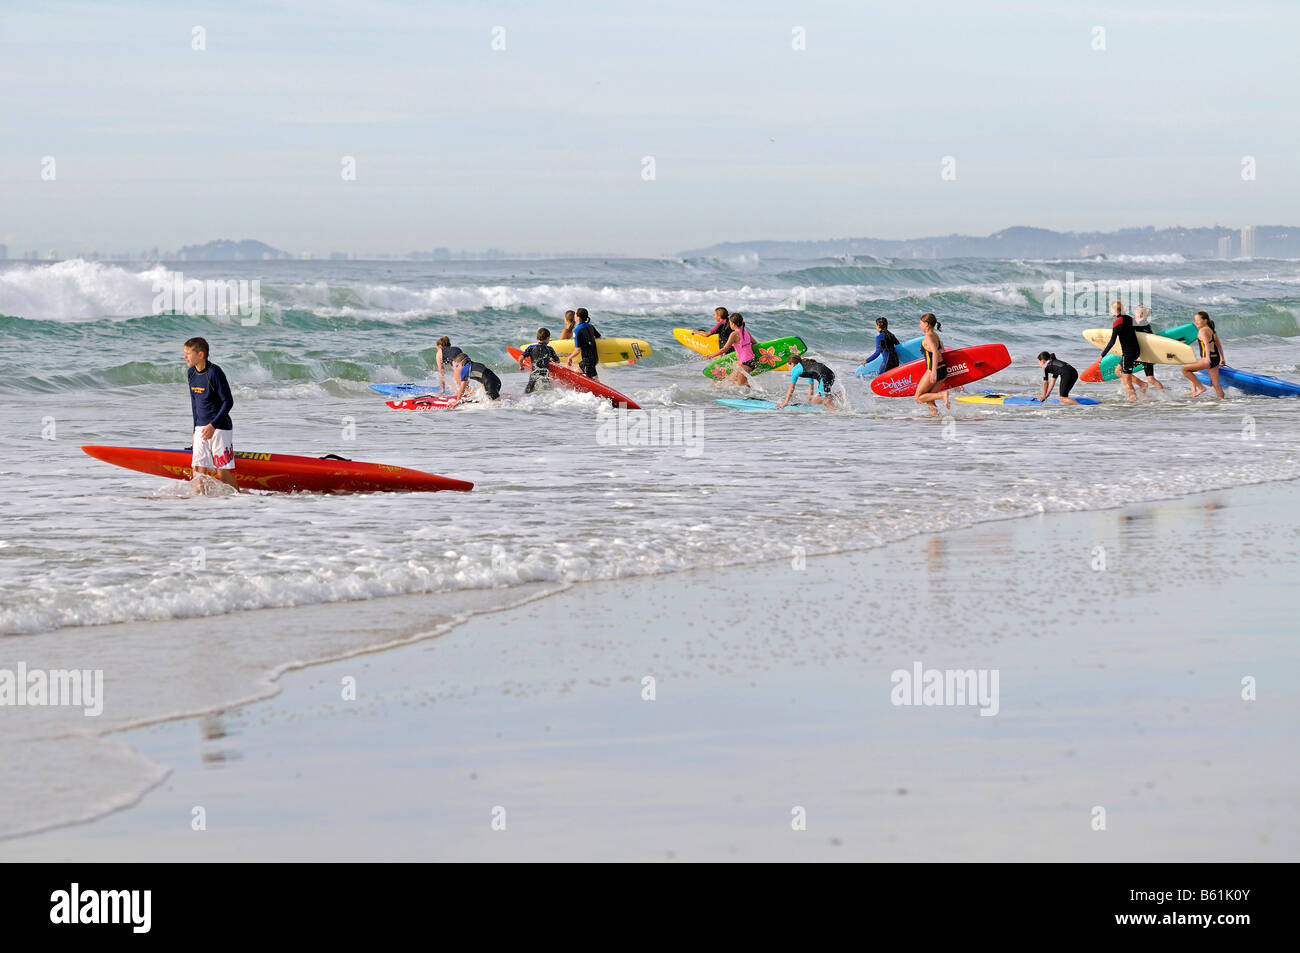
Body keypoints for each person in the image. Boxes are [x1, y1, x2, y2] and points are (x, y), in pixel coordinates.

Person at [183, 337, 238, 491]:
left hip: (220, 427)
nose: (185, 356)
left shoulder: (215, 372)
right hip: (201, 427)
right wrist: (195, 431)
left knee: (221, 473)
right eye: (185, 353)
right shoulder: (191, 373)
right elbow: (194, 404)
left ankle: (240, 499)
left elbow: (228, 402)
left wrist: (213, 425)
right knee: (198, 472)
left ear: (201, 355)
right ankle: (200, 506)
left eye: (188, 353)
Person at [1097, 300, 1142, 402]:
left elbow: (1112, 342)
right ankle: (1141, 384)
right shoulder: (1130, 319)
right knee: (1118, 371)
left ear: (1115, 310)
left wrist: (1102, 355)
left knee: (1127, 381)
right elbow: (1140, 332)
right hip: (1136, 351)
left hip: (1128, 354)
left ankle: (1133, 402)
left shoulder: (1118, 322)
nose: (1110, 311)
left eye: (1111, 309)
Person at [702, 313, 757, 386]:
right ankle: (754, 395)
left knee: (741, 386)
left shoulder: (734, 334)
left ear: (733, 324)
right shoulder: (745, 331)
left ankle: (756, 396)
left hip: (745, 364)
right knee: (732, 381)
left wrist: (710, 356)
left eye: (730, 323)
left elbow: (724, 349)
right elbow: (754, 343)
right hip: (750, 361)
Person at [1182, 311, 1226, 398]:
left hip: (1208, 359)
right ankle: (1222, 402)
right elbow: (1218, 345)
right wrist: (1222, 358)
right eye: (1195, 320)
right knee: (1216, 385)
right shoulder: (1212, 330)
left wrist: (1207, 358)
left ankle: (1200, 388)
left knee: (1185, 370)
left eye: (1198, 320)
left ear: (1205, 320)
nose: (1196, 322)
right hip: (1215, 358)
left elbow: (1206, 344)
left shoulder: (1202, 331)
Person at [913, 313, 949, 416]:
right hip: (942, 368)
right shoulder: (935, 335)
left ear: (927, 324)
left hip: (934, 369)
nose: (920, 326)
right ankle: (935, 419)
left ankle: (943, 395)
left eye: (921, 323)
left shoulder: (928, 337)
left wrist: (933, 372)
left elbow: (934, 352)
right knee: (930, 399)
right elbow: (942, 350)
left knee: (918, 397)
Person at [1128, 305, 1164, 392]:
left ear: (1139, 315)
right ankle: (1165, 395)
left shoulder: (1138, 324)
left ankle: (1141, 384)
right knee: (1151, 378)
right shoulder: (1147, 325)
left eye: (1135, 314)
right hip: (1148, 355)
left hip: (1141, 355)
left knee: (1122, 372)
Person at [518, 328, 560, 394]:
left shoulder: (531, 347)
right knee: (548, 392)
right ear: (547, 338)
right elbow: (557, 361)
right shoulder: (549, 349)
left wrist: (521, 366)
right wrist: (549, 361)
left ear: (538, 338)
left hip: (534, 374)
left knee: (527, 393)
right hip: (545, 375)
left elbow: (520, 358)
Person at [565, 307, 602, 378]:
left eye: (575, 314)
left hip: (587, 362)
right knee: (594, 381)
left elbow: (577, 350)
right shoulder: (590, 326)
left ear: (578, 318)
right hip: (594, 359)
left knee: (568, 370)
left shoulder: (577, 331)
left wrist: (569, 357)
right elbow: (599, 337)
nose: (574, 316)